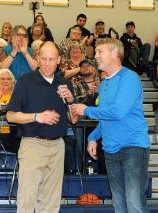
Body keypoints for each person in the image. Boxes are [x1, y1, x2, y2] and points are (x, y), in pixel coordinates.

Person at [71, 38, 150, 213]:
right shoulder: (104, 84)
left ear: (115, 53)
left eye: (100, 52)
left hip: (133, 148)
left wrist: (87, 110)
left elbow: (118, 112)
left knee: (134, 202)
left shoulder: (129, 78)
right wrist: (92, 137)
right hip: (111, 151)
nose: (96, 56)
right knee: (119, 204)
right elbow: (107, 118)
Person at [6, 41, 75, 213]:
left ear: (59, 60)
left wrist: (71, 102)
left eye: (51, 59)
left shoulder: (65, 83)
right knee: (27, 200)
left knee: (51, 202)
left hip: (58, 145)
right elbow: (11, 116)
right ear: (37, 57)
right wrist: (38, 117)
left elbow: (73, 120)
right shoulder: (25, 81)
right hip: (32, 145)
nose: (47, 63)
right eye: (43, 58)